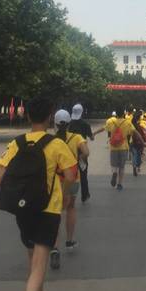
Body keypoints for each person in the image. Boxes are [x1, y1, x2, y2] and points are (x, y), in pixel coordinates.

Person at [0, 97, 77, 291]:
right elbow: (70, 176)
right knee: (39, 264)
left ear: (28, 116)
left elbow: (1, 173)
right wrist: (64, 194)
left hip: (24, 209)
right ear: (49, 117)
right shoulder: (57, 144)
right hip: (48, 210)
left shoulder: (16, 143)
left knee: (33, 261)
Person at [52, 109, 88, 267]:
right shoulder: (76, 137)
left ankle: (54, 247)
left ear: (55, 124)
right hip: (73, 178)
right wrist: (80, 159)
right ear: (69, 124)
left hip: (55, 180)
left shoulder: (51, 140)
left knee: (56, 211)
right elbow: (86, 152)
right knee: (71, 207)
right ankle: (69, 241)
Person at [105, 108, 143, 191]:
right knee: (122, 167)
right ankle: (120, 184)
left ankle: (114, 172)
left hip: (113, 147)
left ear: (116, 114)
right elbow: (135, 132)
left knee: (114, 165)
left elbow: (104, 128)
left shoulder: (111, 121)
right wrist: (142, 141)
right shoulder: (127, 122)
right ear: (123, 114)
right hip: (124, 147)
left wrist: (94, 133)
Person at [67, 104, 94, 203]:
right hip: (83, 153)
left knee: (70, 175)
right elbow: (91, 137)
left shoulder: (69, 124)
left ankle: (69, 194)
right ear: (82, 112)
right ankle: (85, 195)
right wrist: (92, 135)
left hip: (71, 153)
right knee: (83, 175)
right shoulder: (85, 124)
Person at [131, 110, 146, 176]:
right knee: (139, 155)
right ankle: (138, 167)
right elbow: (145, 132)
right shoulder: (140, 126)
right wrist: (144, 142)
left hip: (132, 142)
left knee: (134, 155)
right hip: (139, 143)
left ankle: (134, 167)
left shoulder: (131, 126)